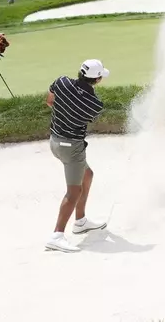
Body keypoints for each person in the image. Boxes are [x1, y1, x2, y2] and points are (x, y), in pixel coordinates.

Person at [45, 59, 110, 253]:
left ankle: (80, 221)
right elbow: (87, 117)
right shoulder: (94, 104)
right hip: (71, 148)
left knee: (87, 175)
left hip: (55, 141)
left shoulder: (61, 82)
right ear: (97, 79)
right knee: (74, 192)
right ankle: (56, 235)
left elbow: (50, 101)